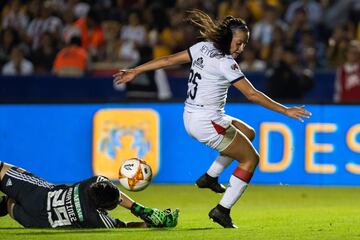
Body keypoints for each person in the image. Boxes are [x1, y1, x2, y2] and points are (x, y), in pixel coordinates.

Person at [113, 9, 312, 228]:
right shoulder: (226, 62)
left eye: (245, 44)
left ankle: (210, 177)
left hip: (193, 114)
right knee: (250, 159)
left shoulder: (203, 47)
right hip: (207, 121)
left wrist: (136, 70)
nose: (241, 48)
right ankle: (222, 210)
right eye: (239, 43)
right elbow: (252, 94)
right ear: (227, 38)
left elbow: (169, 59)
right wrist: (285, 111)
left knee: (248, 133)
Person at [0, 161, 179, 228]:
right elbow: (126, 226)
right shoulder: (96, 219)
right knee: (8, 203)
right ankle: (6, 204)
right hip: (35, 221)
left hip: (38, 195)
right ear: (102, 208)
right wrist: (152, 221)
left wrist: (138, 208)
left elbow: (109, 188)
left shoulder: (88, 184)